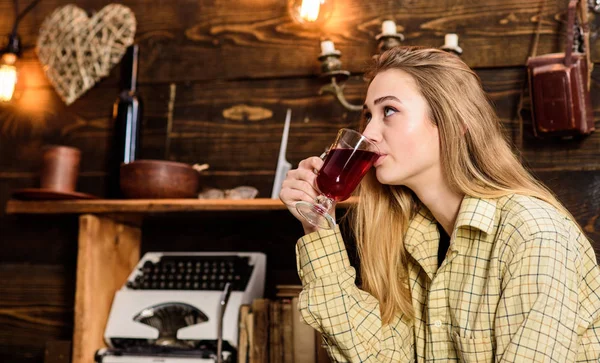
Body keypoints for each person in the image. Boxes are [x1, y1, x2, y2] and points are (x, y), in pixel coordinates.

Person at [279, 46, 600, 362]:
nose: (369, 132)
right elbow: (381, 356)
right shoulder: (415, 235)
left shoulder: (534, 234)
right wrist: (318, 225)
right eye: (367, 115)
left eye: (388, 111)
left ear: (453, 122)